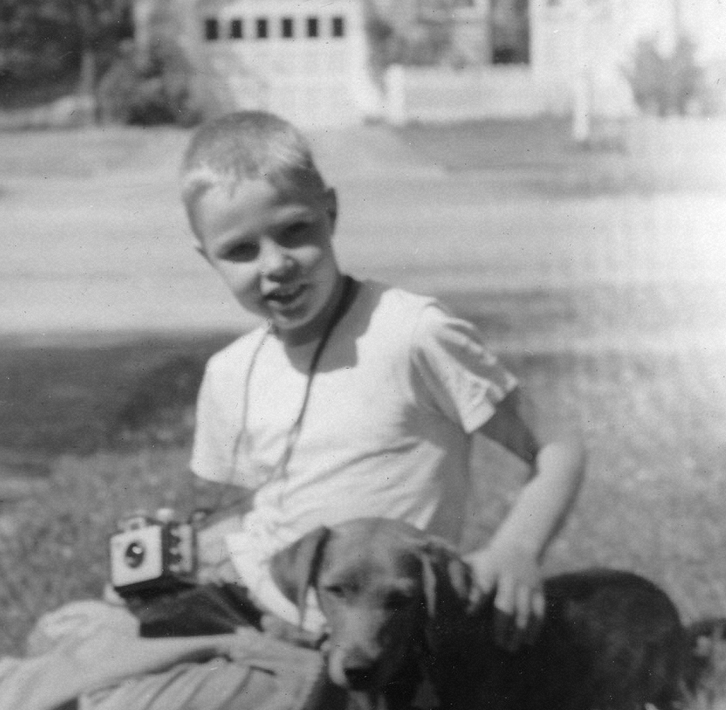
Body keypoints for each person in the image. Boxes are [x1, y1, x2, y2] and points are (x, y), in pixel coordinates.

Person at [183, 110, 586, 648]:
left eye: (294, 231)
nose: (274, 264)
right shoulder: (231, 372)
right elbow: (276, 514)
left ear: (330, 211)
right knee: (88, 630)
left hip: (358, 639)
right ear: (207, 258)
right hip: (251, 603)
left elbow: (560, 446)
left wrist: (516, 548)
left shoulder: (409, 334)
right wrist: (191, 548)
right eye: (240, 250)